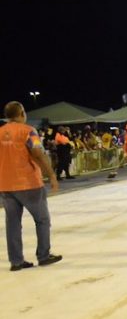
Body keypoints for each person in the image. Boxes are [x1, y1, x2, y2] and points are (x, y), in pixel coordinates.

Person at [0, 101, 62, 271]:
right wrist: (51, 175)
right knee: (42, 220)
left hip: (6, 185)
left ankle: (16, 261)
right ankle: (43, 255)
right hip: (28, 183)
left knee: (12, 224)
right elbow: (38, 153)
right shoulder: (28, 131)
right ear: (22, 113)